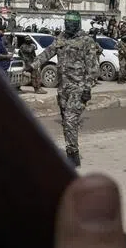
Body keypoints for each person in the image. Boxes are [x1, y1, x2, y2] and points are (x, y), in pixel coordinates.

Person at [32, 10, 100, 167]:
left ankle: (72, 155)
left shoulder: (86, 41)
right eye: (66, 22)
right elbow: (47, 52)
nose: (68, 25)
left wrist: (87, 88)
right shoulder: (61, 38)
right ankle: (71, 149)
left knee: (70, 119)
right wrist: (32, 65)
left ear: (77, 24)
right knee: (65, 120)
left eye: (71, 22)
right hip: (63, 89)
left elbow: (93, 68)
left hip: (79, 88)